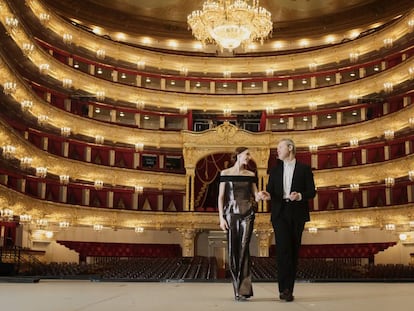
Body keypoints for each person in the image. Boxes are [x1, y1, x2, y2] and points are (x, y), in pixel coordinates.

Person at [264, 138, 316, 302]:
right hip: (280, 213)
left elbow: (311, 192)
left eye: (280, 147)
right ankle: (283, 289)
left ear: (290, 148)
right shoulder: (274, 170)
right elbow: (270, 191)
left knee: (293, 251)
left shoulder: (304, 169)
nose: (277, 150)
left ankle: (289, 289)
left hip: (297, 212)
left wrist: (300, 195)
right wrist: (266, 195)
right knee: (282, 250)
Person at [217, 147, 262, 301]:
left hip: (247, 213)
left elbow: (255, 195)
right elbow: (221, 197)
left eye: (249, 154)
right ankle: (237, 288)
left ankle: (244, 289)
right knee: (233, 250)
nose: (249, 157)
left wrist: (261, 195)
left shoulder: (250, 174)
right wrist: (221, 218)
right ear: (238, 155)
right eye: (247, 154)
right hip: (230, 213)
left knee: (244, 248)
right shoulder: (225, 173)